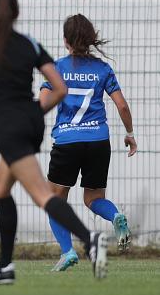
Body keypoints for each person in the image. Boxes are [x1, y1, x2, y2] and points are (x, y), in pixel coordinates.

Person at [0, 0, 109, 284]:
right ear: (16, 14)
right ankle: (4, 267)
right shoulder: (30, 44)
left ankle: (90, 241)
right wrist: (36, 113)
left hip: (7, 127)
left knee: (43, 195)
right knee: (0, 188)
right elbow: (60, 88)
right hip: (28, 122)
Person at [41, 14, 135, 272]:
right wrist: (130, 133)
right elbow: (122, 105)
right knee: (93, 198)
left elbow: (43, 102)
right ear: (90, 39)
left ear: (65, 41)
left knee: (53, 199)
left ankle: (68, 251)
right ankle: (115, 215)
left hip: (68, 140)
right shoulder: (103, 69)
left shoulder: (57, 67)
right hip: (98, 141)